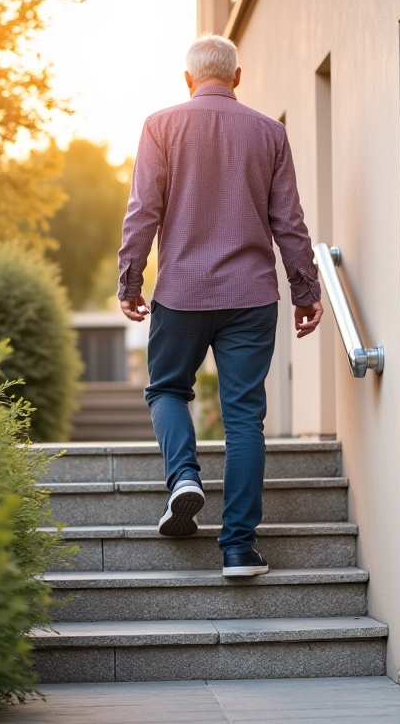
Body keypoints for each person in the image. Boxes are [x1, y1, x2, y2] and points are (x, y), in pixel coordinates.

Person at [116, 34, 324, 578]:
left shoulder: (161, 126)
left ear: (188, 80)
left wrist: (130, 280)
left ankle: (184, 476)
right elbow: (290, 222)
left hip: (181, 294)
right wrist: (306, 292)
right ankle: (236, 549)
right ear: (237, 77)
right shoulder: (270, 133)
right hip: (251, 298)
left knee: (165, 389)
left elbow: (142, 212)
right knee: (244, 420)